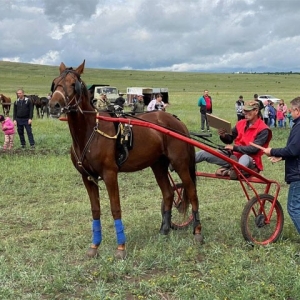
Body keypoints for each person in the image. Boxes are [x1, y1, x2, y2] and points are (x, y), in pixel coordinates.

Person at [195, 101, 272, 179]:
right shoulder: (240, 123)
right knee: (204, 153)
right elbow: (229, 139)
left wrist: (235, 148)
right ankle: (183, 162)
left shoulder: (263, 129)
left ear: (256, 111)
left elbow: (254, 149)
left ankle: (235, 171)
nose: (245, 113)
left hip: (251, 160)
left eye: (248, 111)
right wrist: (224, 136)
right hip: (233, 156)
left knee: (244, 157)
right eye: (244, 110)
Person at [261, 97, 300, 235]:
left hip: (298, 174)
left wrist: (272, 151)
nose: (290, 112)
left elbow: (293, 150)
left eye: (291, 110)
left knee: (294, 208)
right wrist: (282, 156)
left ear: (297, 110)